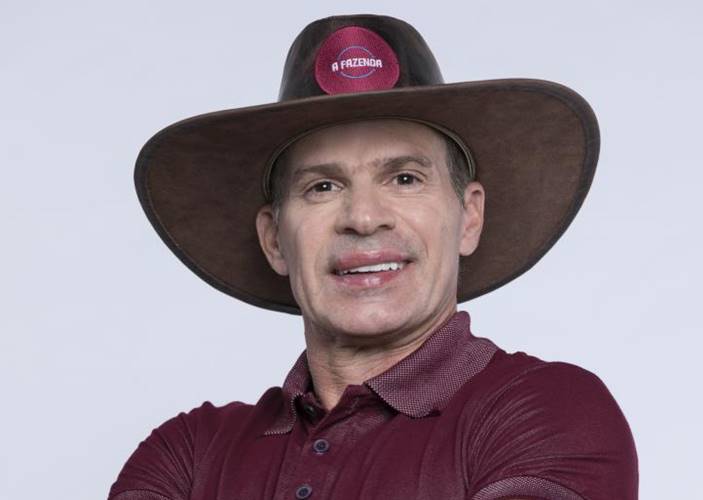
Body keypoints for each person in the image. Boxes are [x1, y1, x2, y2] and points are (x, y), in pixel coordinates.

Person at [109, 14, 638, 500]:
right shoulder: (189, 454)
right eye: (322, 186)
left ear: (469, 217)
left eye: (405, 178)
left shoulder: (548, 412)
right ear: (274, 239)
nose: (363, 217)